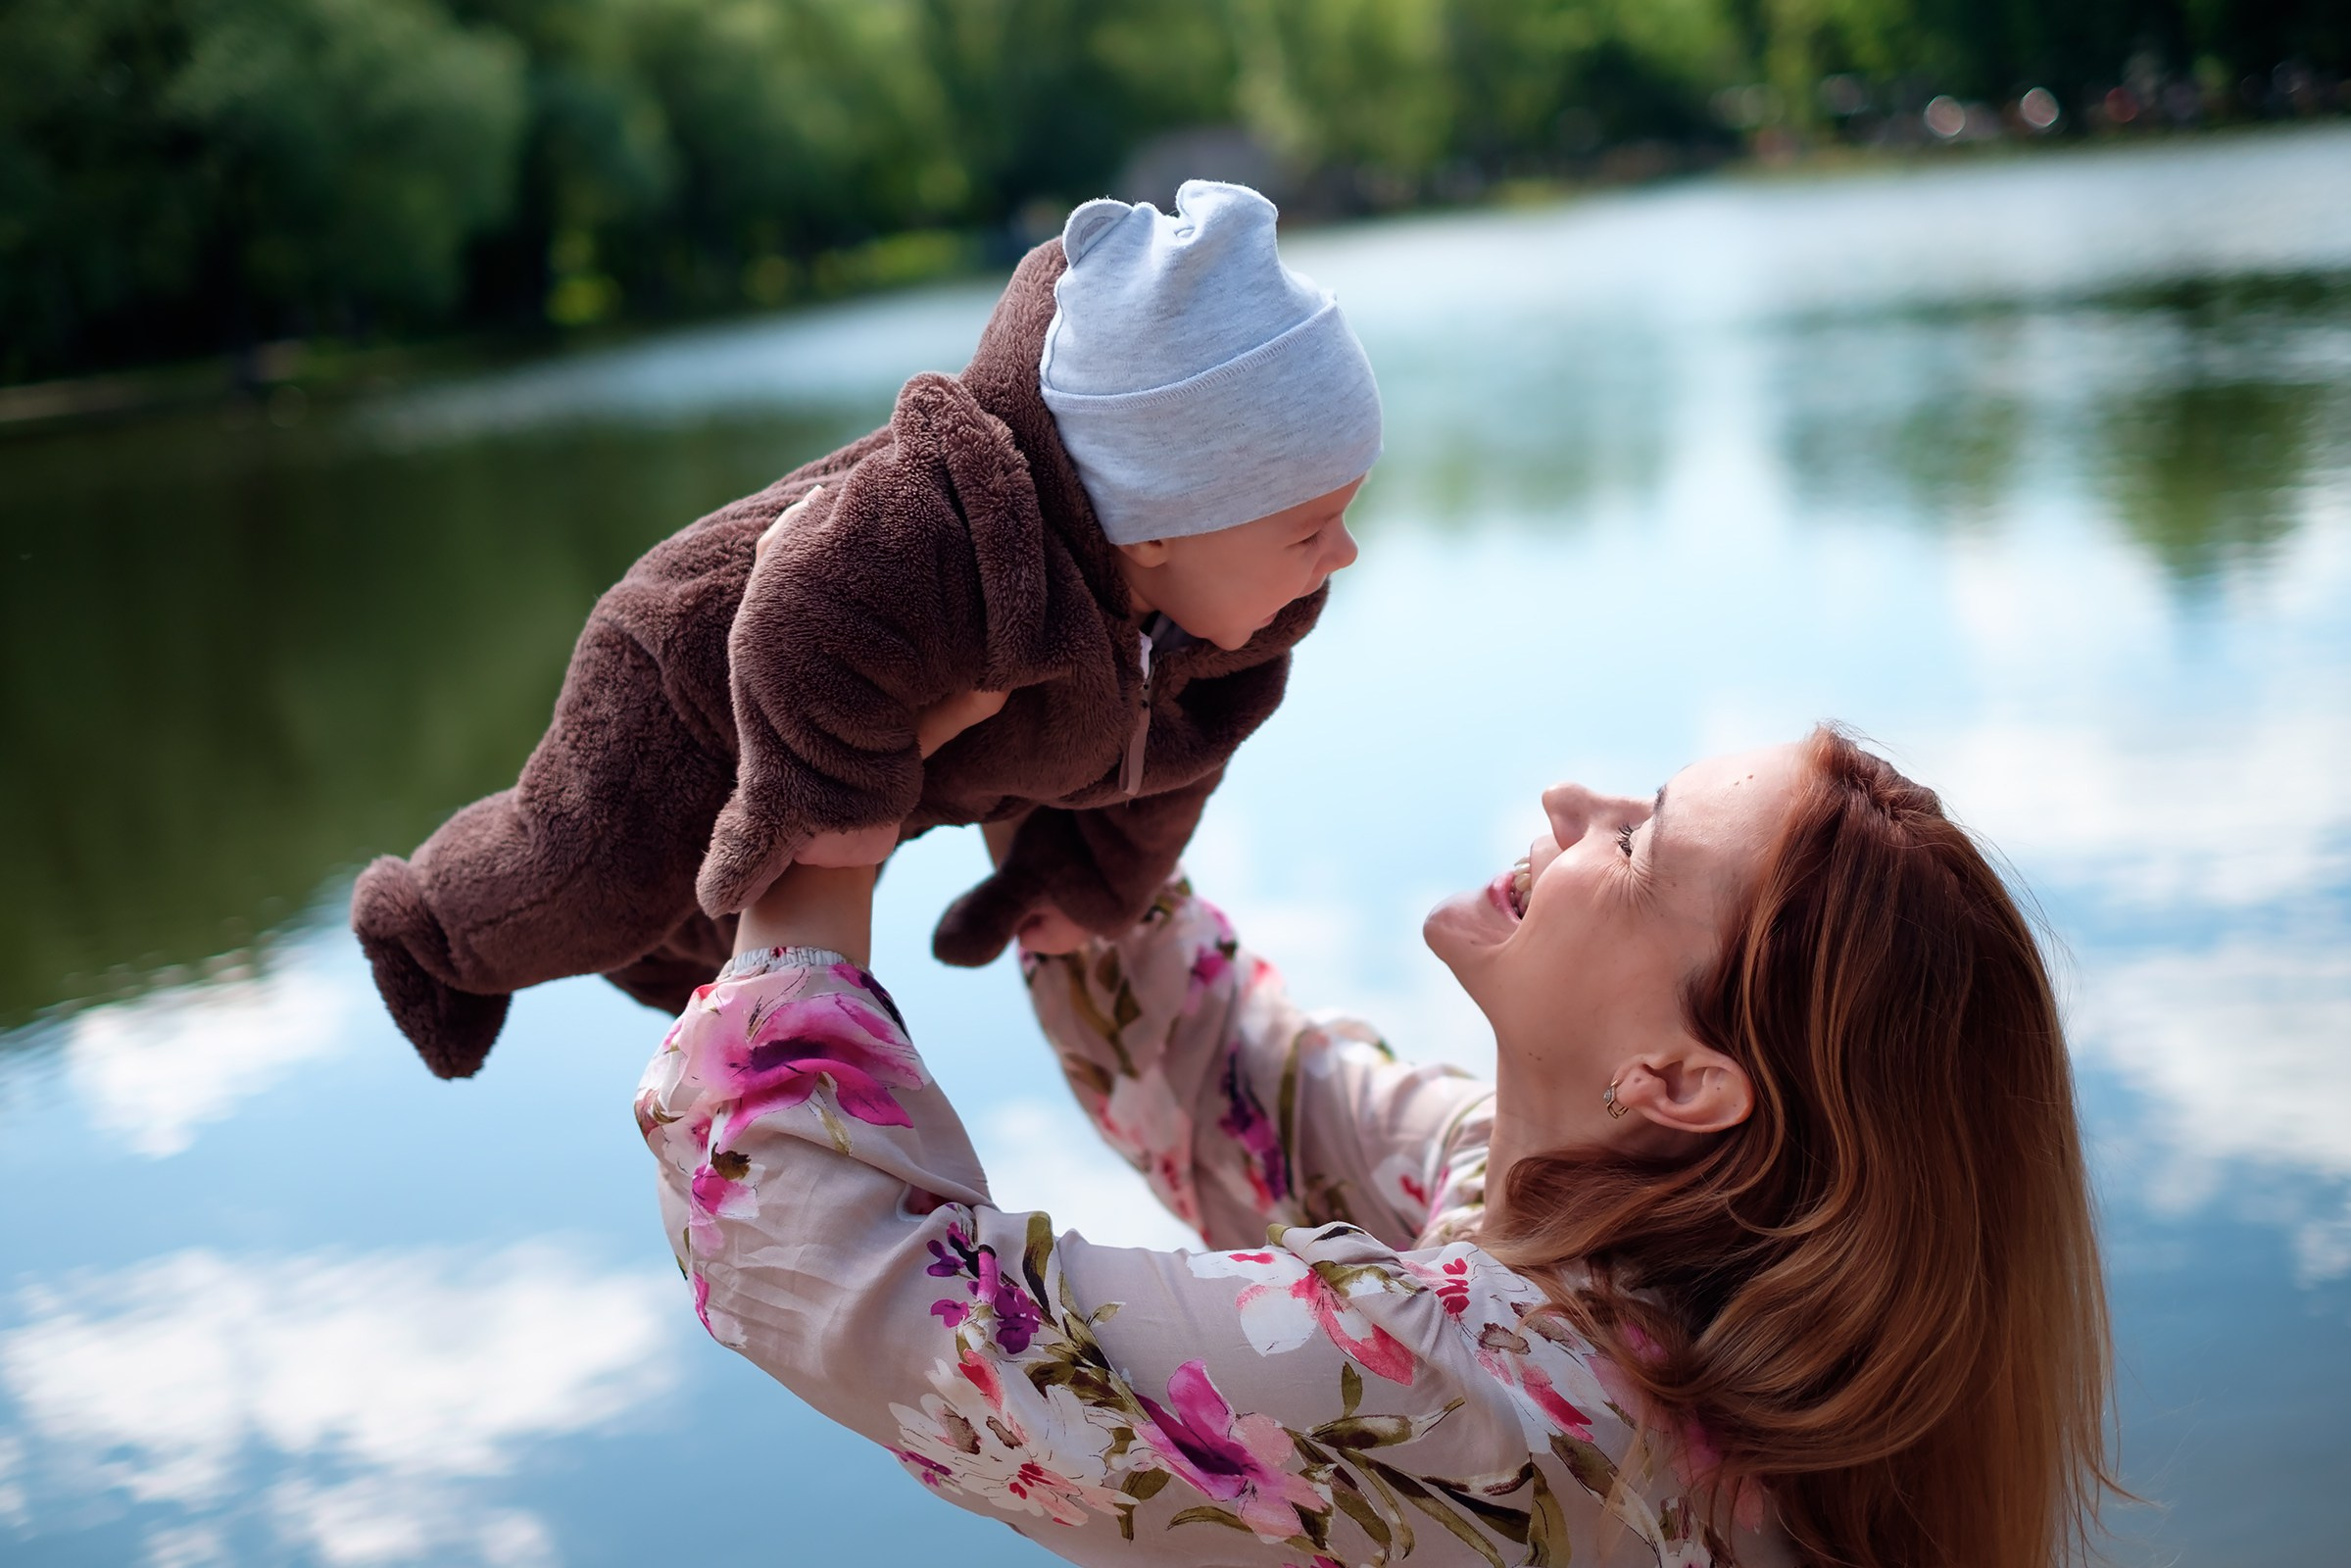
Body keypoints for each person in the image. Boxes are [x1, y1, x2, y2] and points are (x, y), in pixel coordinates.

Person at [636, 717, 2115, 1568]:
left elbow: (875, 1295)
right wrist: (1068, 763)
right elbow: (1233, 1086)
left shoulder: (1485, 1403)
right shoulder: (1590, 1238)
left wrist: (813, 847)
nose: (1570, 800)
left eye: (1639, 840)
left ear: (1677, 1079)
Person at [353, 179, 1379, 1079]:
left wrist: (1089, 881)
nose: (1341, 555)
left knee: (696, 944)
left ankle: (693, 925)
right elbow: (798, 616)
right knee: (589, 879)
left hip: (882, 745)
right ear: (1155, 527)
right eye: (1307, 529)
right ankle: (426, 930)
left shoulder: (1232, 635)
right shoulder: (954, 530)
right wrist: (837, 821)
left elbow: (1169, 766)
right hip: (695, 679)